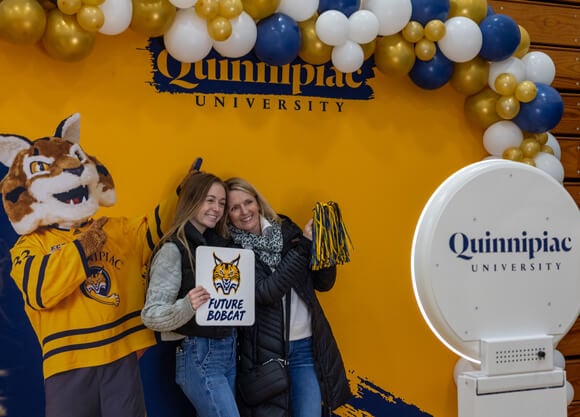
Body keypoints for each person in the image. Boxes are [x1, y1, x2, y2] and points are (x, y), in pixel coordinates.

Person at [224, 177, 352, 417]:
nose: (244, 211)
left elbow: (323, 284)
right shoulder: (232, 252)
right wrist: (304, 248)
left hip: (305, 345)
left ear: (258, 203)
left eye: (248, 202)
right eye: (234, 208)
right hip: (265, 355)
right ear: (227, 216)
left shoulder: (288, 232)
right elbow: (266, 292)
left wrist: (324, 249)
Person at [141, 171, 240, 417]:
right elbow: (151, 314)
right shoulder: (174, 248)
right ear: (192, 200)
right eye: (209, 200)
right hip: (199, 352)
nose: (216, 209)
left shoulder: (220, 247)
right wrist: (187, 305)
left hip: (227, 351)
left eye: (221, 203)